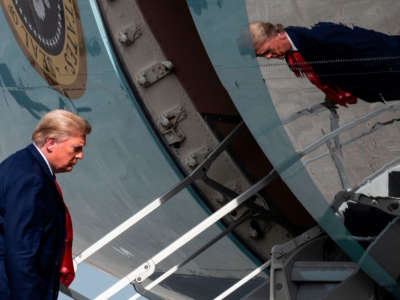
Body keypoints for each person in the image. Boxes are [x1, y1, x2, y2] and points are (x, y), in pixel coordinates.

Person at [0, 109, 91, 300]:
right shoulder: (30, 178)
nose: (80, 155)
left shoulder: (24, 165)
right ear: (51, 143)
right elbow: (21, 250)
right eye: (76, 148)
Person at [248, 21, 400, 106]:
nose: (268, 57)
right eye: (263, 56)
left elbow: (370, 44)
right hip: (380, 86)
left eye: (267, 51)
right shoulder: (294, 56)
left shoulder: (319, 36)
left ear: (278, 34)